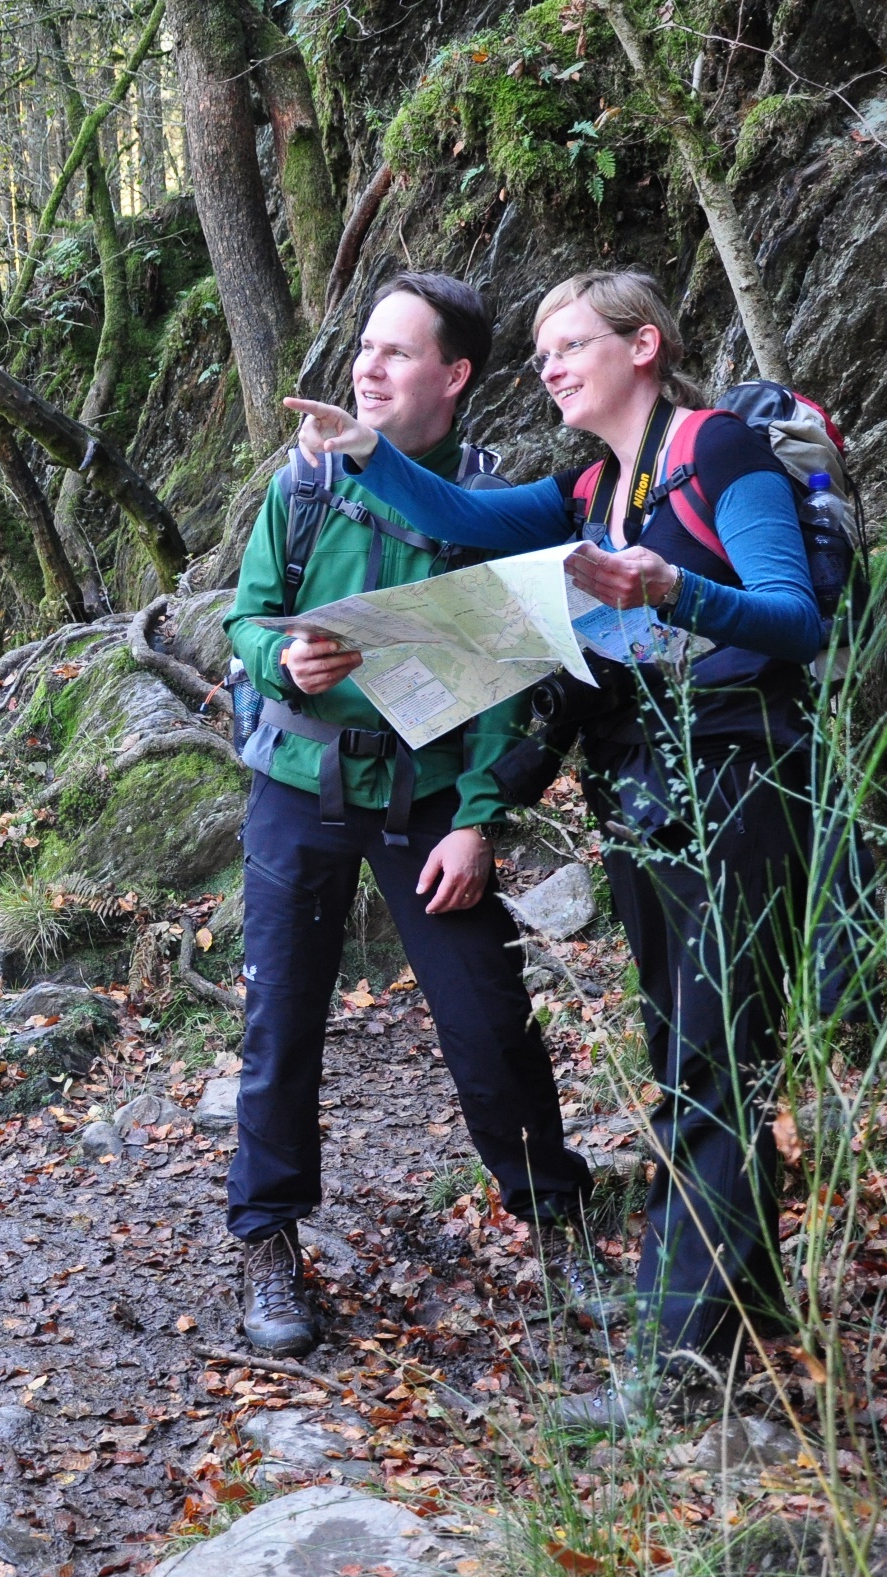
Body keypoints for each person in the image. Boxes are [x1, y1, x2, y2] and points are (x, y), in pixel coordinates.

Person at [284, 268, 820, 1425]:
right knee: (694, 1051)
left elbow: (795, 617)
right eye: (540, 351)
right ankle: (746, 1320)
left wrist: (671, 586)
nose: (550, 365)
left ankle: (674, 1369)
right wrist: (364, 451)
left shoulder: (717, 452)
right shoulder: (587, 487)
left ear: (644, 345)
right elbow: (464, 520)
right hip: (647, 792)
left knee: (709, 1064)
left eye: (571, 343)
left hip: (740, 781)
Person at [223, 272, 604, 1361]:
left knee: (489, 1019)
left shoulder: (489, 509)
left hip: (429, 799)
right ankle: (267, 1241)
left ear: (455, 374)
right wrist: (283, 661)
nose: (368, 367)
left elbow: (513, 681)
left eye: (396, 352)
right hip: (298, 786)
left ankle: (559, 1227)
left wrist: (478, 821)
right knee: (280, 1021)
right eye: (364, 348)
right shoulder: (302, 487)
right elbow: (245, 619)